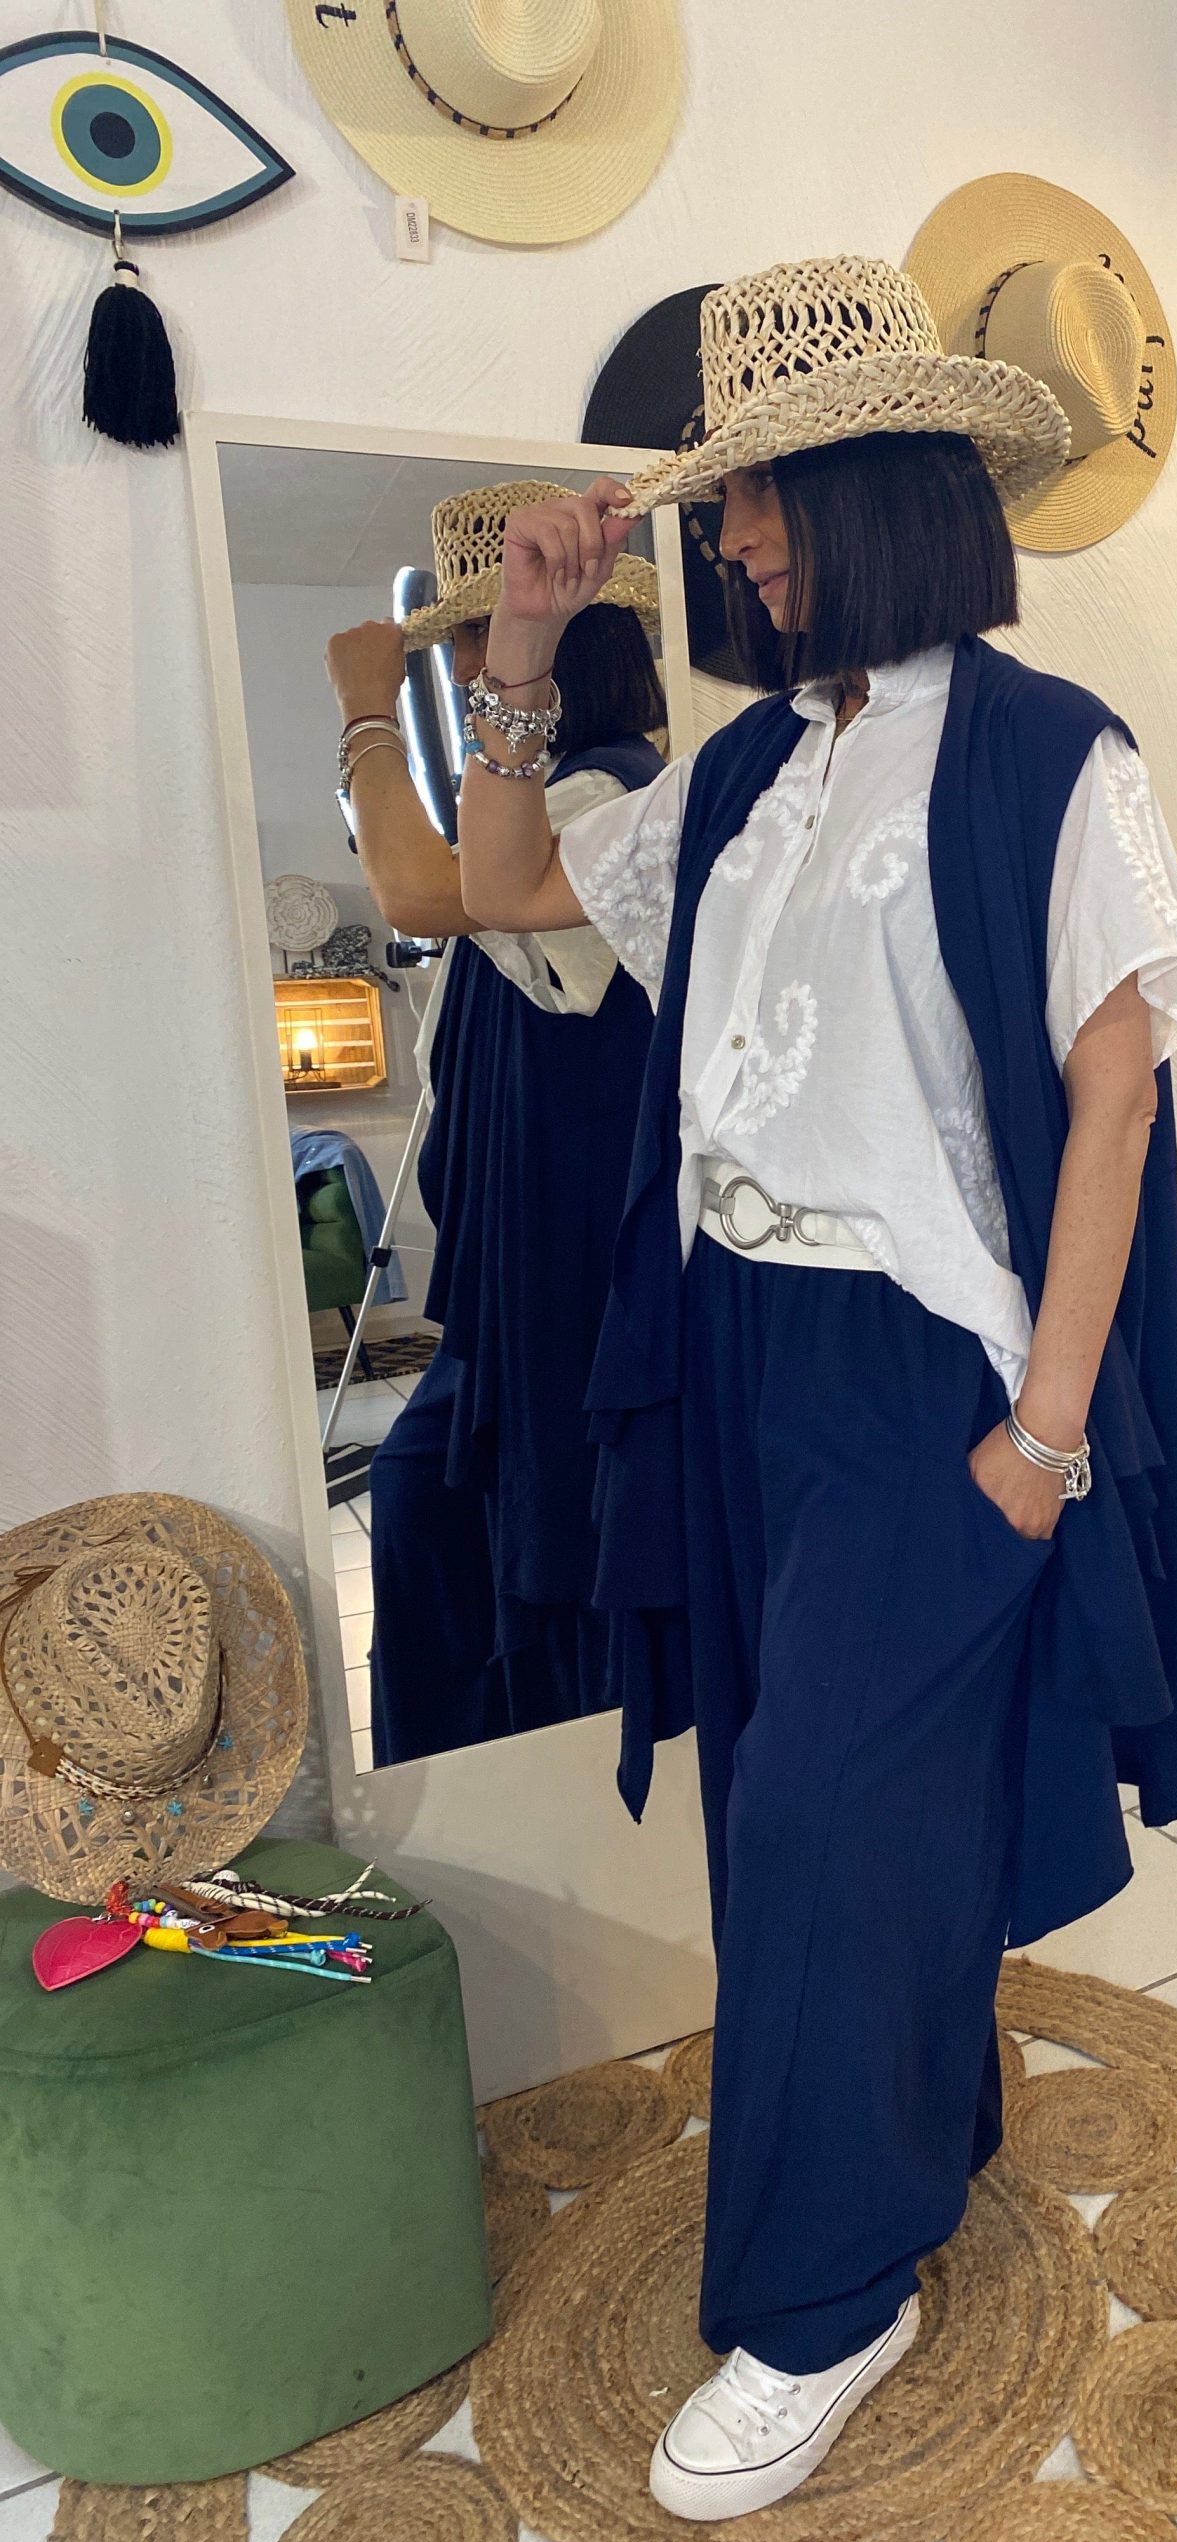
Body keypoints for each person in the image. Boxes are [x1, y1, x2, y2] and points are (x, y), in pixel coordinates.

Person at [456, 258, 1177, 2523]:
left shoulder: (1054, 753)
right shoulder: (745, 773)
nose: (741, 539)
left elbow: (1114, 1097)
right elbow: (503, 888)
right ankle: (926, 2120)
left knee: (819, 1818)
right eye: (729, 503)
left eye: (770, 492)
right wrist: (519, 661)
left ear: (889, 488)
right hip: (735, 1348)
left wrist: (1044, 1435)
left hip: (916, 1364)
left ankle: (821, 2300)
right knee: (798, 1802)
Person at [324, 485, 668, 1762]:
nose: (472, 673)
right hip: (526, 1250)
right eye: (471, 644)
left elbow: (423, 890)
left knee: (526, 1521)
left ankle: (560, 1777)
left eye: (479, 641)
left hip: (577, 1245)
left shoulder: (614, 799)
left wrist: (367, 714)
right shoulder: (555, 794)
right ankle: (481, 1774)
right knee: (437, 1503)